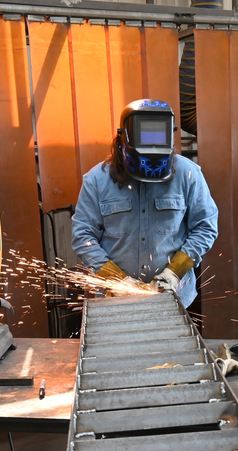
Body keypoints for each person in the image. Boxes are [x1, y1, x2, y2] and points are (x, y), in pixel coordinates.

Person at [71, 99, 218, 307]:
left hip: (173, 299)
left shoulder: (188, 174)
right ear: (123, 140)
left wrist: (174, 272)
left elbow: (205, 227)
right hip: (114, 302)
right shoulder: (97, 180)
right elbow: (82, 236)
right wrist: (116, 280)